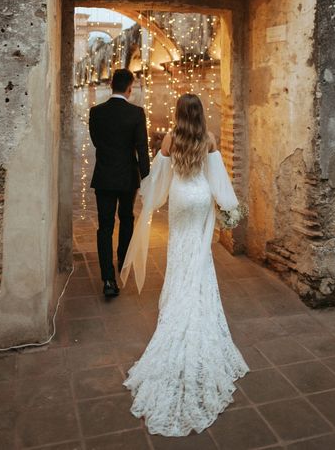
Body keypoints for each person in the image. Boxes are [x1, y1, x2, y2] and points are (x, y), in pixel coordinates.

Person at [120, 93, 249, 436]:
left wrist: (150, 198)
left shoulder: (169, 139)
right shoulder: (208, 139)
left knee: (179, 253)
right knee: (200, 257)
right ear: (200, 114)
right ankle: (197, 300)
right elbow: (218, 178)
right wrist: (229, 206)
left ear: (178, 114)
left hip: (180, 199)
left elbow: (158, 179)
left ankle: (180, 301)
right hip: (200, 199)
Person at [89, 68, 150, 298]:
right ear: (129, 88)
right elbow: (142, 148)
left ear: (111, 85)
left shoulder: (96, 112)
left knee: (104, 227)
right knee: (126, 218)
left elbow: (96, 142)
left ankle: (107, 279)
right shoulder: (136, 113)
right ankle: (123, 260)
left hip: (104, 176)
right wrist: (147, 179)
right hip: (127, 178)